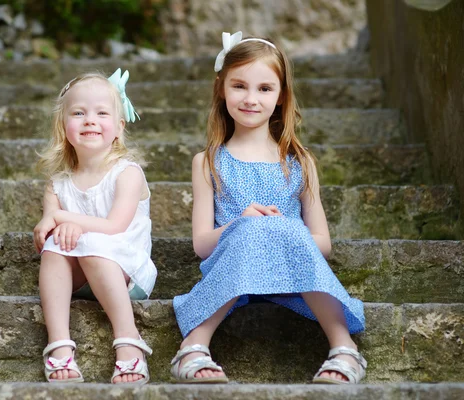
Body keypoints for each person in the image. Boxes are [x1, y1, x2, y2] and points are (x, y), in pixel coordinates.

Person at [170, 32, 366, 385]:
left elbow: (322, 243)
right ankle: (194, 345)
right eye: (239, 86)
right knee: (249, 228)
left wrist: (282, 230)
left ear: (281, 97)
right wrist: (241, 224)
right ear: (221, 89)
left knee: (285, 228)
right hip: (232, 270)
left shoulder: (300, 163)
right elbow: (201, 245)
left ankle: (343, 346)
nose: (250, 98)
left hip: (293, 274)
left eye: (264, 88)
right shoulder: (208, 162)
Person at [33, 69, 157, 385]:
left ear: (118, 127)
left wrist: (65, 220)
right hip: (80, 275)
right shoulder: (58, 184)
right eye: (79, 113)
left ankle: (129, 343)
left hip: (128, 272)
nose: (90, 120)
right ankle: (59, 344)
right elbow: (48, 229)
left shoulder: (126, 173)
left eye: (101, 113)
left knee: (93, 244)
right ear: (63, 126)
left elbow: (115, 226)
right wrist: (51, 228)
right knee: (53, 248)